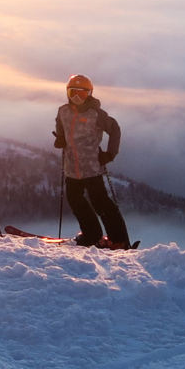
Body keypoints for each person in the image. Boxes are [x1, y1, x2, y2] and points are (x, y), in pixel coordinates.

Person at [53, 74, 130, 248]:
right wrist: (60, 138)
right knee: (75, 200)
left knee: (101, 203)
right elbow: (60, 127)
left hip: (92, 168)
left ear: (90, 94)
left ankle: (118, 240)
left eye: (82, 93)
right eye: (73, 93)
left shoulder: (96, 114)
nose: (77, 97)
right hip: (72, 168)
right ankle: (91, 234)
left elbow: (114, 129)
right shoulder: (63, 111)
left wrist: (110, 154)